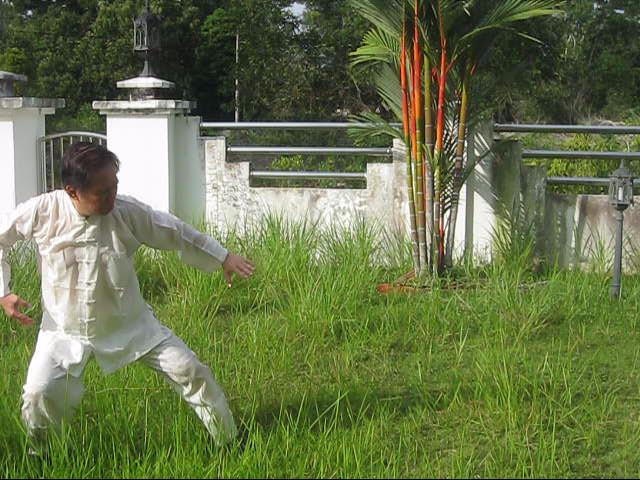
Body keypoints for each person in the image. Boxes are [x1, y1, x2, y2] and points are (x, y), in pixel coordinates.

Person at [0, 142, 255, 452]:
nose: (112, 196)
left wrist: (223, 257)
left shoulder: (126, 212)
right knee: (39, 393)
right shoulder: (43, 211)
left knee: (191, 370)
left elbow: (175, 230)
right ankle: (42, 456)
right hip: (63, 329)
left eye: (115, 186)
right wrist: (4, 292)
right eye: (102, 192)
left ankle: (230, 441)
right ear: (72, 191)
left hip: (131, 323)